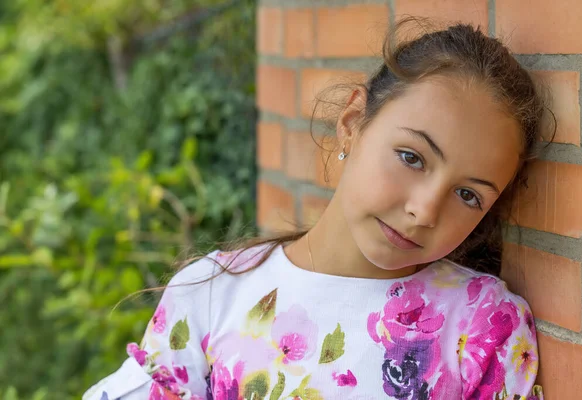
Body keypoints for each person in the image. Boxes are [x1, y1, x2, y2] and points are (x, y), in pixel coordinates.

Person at [84, 20, 550, 400]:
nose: (424, 210)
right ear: (351, 125)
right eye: (411, 157)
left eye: (469, 195)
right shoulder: (210, 297)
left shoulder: (484, 327)